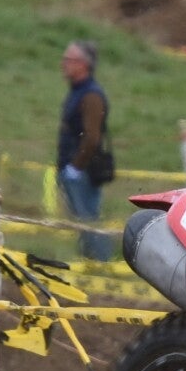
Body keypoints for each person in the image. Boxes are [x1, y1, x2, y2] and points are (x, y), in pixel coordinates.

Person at [57, 41, 117, 261]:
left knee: (89, 221)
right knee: (81, 222)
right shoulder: (78, 91)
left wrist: (75, 167)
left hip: (83, 172)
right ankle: (89, 261)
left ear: (83, 64)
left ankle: (101, 263)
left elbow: (92, 138)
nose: (63, 64)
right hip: (74, 168)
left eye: (68, 59)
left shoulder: (91, 96)